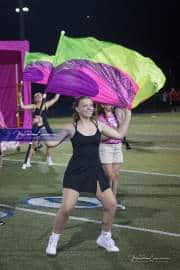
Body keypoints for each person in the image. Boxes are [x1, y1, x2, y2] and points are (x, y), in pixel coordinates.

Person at [45, 96, 131, 255]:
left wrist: (128, 116)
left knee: (111, 205)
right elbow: (51, 143)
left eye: (91, 105)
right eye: (85, 106)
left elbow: (119, 135)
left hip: (95, 171)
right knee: (67, 208)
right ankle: (54, 239)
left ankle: (105, 237)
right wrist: (39, 129)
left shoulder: (99, 124)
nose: (89, 108)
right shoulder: (71, 127)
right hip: (76, 171)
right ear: (77, 108)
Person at [97, 105, 129, 209]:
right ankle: (107, 199)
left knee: (116, 175)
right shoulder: (100, 118)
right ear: (102, 104)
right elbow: (99, 138)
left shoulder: (116, 115)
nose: (110, 105)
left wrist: (125, 120)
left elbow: (122, 133)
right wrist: (113, 133)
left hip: (117, 146)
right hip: (106, 147)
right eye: (107, 103)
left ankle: (113, 200)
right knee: (109, 175)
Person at [19, 92, 60, 167]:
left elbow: (55, 99)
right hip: (36, 127)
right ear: (34, 99)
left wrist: (58, 91)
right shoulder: (33, 106)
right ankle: (28, 160)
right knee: (33, 145)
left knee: (49, 144)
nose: (38, 96)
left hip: (45, 126)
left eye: (39, 95)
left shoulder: (45, 105)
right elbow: (22, 106)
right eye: (36, 96)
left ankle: (48, 158)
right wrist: (20, 97)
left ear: (42, 97)